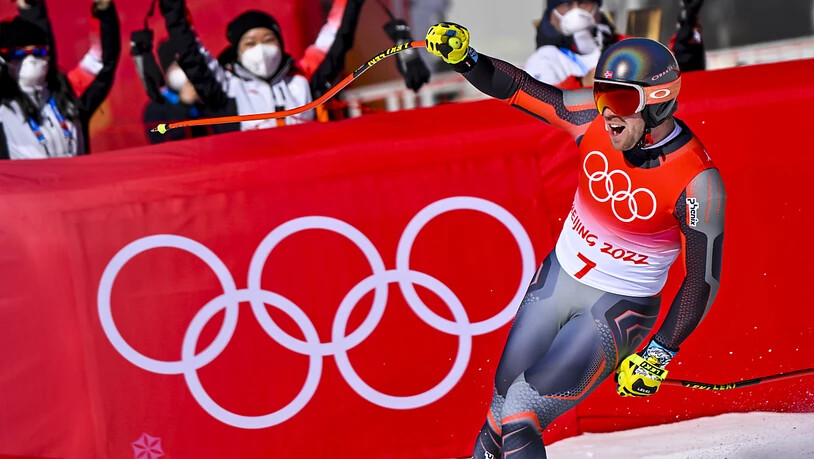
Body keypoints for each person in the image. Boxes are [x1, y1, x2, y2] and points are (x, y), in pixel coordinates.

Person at [425, 23, 725, 458]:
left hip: (619, 306)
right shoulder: (591, 119)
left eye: (622, 100)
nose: (607, 113)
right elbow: (520, 89)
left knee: (522, 412)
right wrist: (467, 60)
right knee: (499, 410)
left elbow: (702, 281)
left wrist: (659, 352)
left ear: (658, 102)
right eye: (602, 95)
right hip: (558, 278)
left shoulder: (698, 181)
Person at [0, 0, 120, 159]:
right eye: (20, 54)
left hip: (78, 175)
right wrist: (30, 8)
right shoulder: (3, 108)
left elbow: (101, 61)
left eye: (39, 52)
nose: (31, 59)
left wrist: (104, 12)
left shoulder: (69, 96)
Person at [526, 0, 705, 89]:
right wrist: (581, 84)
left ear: (597, 8)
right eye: (566, 4)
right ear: (551, 17)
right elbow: (540, 107)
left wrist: (686, 41)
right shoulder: (546, 58)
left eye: (583, 3)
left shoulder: (623, 45)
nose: (576, 11)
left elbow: (667, 72)